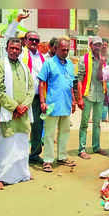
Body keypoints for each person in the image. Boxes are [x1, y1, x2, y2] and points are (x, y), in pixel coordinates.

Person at [0, 38, 34, 190]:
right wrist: (14, 107)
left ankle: (22, 173)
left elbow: (31, 88)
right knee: (6, 144)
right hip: (8, 112)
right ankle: (1, 177)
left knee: (22, 143)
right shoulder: (0, 65)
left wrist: (24, 106)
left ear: (21, 50)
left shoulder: (24, 66)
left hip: (22, 113)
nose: (14, 51)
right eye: (12, 48)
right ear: (7, 49)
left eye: (17, 48)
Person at [37, 36, 77, 172]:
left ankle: (62, 157)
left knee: (64, 132)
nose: (65, 52)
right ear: (56, 49)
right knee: (49, 134)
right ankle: (48, 160)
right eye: (63, 49)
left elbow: (71, 84)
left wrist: (73, 100)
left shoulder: (70, 64)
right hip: (52, 104)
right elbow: (41, 83)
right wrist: (42, 101)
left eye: (67, 50)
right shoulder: (49, 63)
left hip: (65, 104)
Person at [77, 36, 108, 159]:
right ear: (91, 45)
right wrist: (79, 98)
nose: (97, 47)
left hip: (99, 95)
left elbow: (104, 78)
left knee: (97, 123)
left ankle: (96, 146)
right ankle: (82, 149)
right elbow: (79, 80)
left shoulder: (103, 60)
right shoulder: (84, 59)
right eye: (95, 45)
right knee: (84, 123)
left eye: (99, 45)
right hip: (87, 95)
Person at [21, 31, 46, 164]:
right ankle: (20, 155)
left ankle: (35, 154)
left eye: (37, 40)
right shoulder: (21, 53)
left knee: (37, 126)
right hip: (24, 97)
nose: (34, 42)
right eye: (31, 39)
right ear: (25, 41)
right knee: (23, 126)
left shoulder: (42, 57)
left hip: (38, 97)